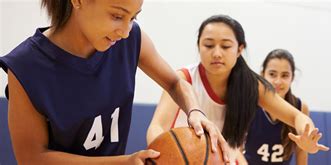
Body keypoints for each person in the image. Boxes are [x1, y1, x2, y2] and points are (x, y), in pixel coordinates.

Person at [0, 0, 229, 164]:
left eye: (134, 17)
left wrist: (195, 111)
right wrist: (123, 162)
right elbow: (32, 158)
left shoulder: (131, 40)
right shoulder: (26, 66)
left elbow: (175, 83)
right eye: (117, 16)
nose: (126, 30)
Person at [146, 14, 329, 163]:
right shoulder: (183, 78)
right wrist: (166, 154)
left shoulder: (251, 85)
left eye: (225, 46)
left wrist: (307, 136)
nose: (217, 53)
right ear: (199, 46)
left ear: (240, 49)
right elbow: (157, 126)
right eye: (209, 45)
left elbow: (297, 116)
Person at [243, 49, 309, 165]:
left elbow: (301, 151)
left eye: (285, 75)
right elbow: (236, 148)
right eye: (272, 74)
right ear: (263, 74)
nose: (278, 81)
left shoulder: (300, 107)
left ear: (292, 78)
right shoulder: (249, 104)